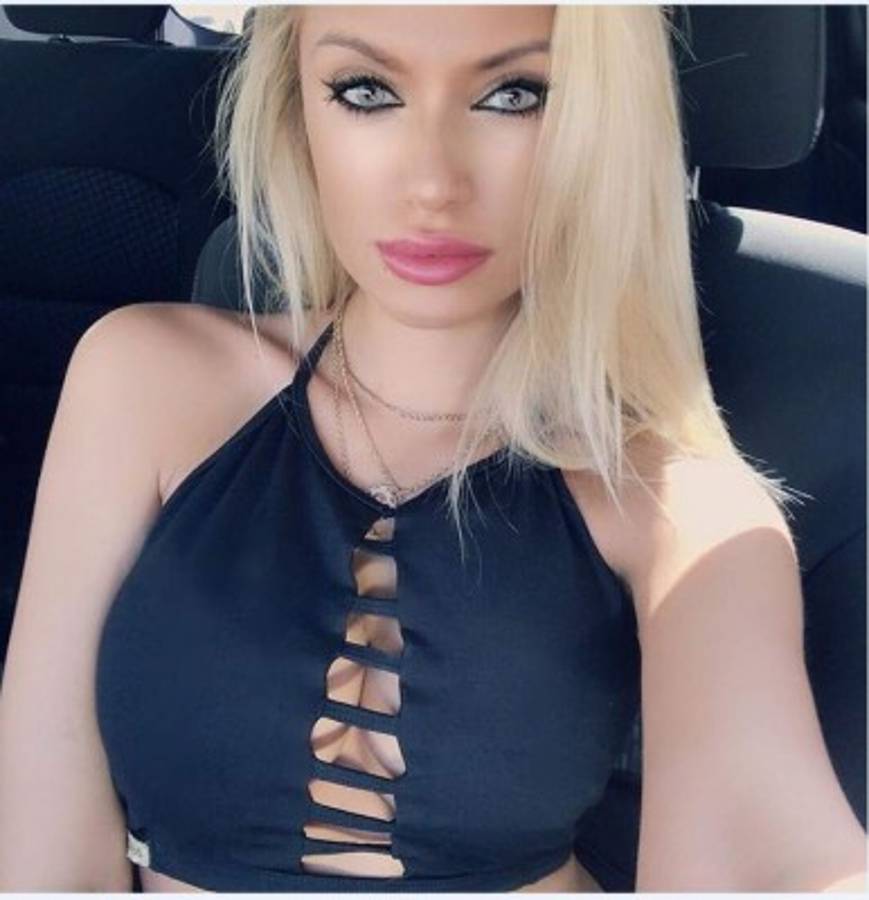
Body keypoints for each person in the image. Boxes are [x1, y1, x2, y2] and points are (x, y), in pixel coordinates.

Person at [1, 3, 866, 894]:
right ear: (296, 111)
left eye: (515, 95)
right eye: (365, 91)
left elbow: (768, 853)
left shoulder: (678, 507)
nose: (431, 184)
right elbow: (42, 830)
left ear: (602, 123)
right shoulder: (143, 380)